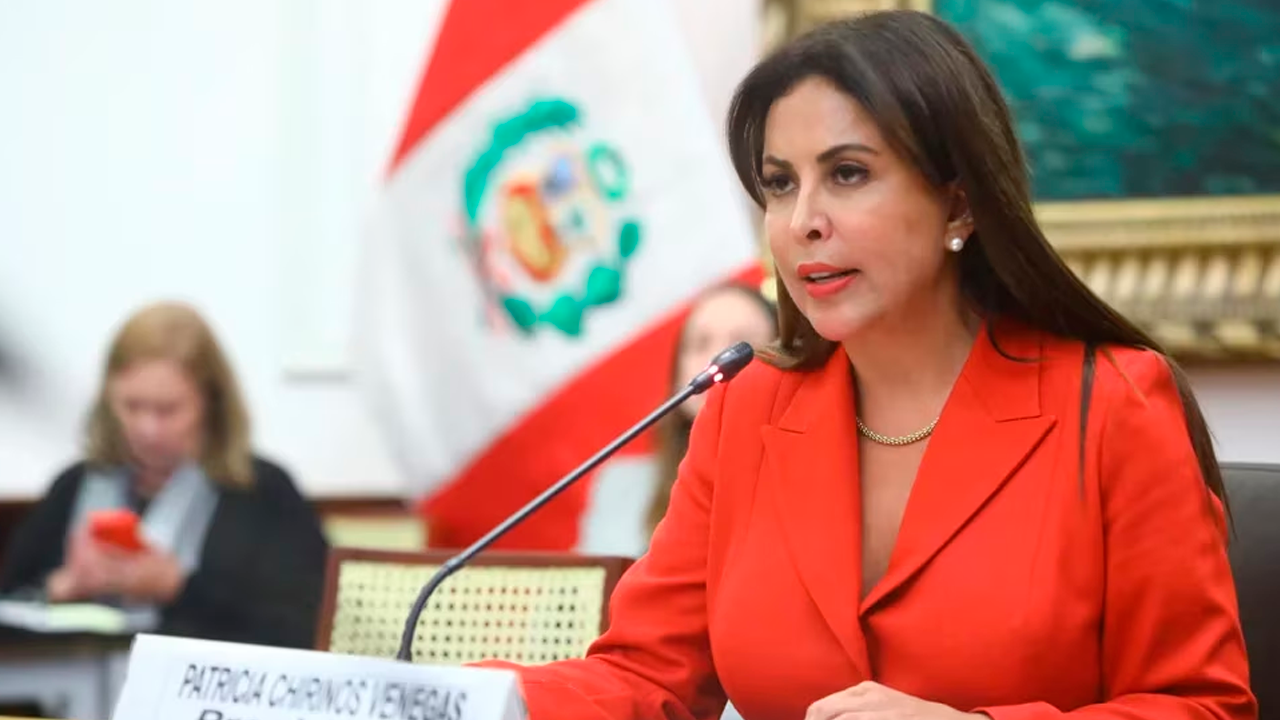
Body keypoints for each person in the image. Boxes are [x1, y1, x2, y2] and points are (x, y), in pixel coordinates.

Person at [472, 10, 1258, 719]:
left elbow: (1202, 706)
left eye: (847, 174)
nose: (802, 222)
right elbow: (646, 679)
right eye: (780, 184)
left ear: (958, 203)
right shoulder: (746, 408)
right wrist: (458, 699)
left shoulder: (1116, 404)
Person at [0, 302, 329, 649]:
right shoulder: (74, 487)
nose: (148, 429)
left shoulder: (262, 493)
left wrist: (179, 588)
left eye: (167, 410)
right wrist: (62, 587)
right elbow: (10, 608)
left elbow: (302, 630)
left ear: (210, 402)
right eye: (132, 406)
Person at [645, 283, 778, 536]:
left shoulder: (806, 480)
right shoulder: (619, 490)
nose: (717, 360)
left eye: (741, 347)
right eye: (700, 343)